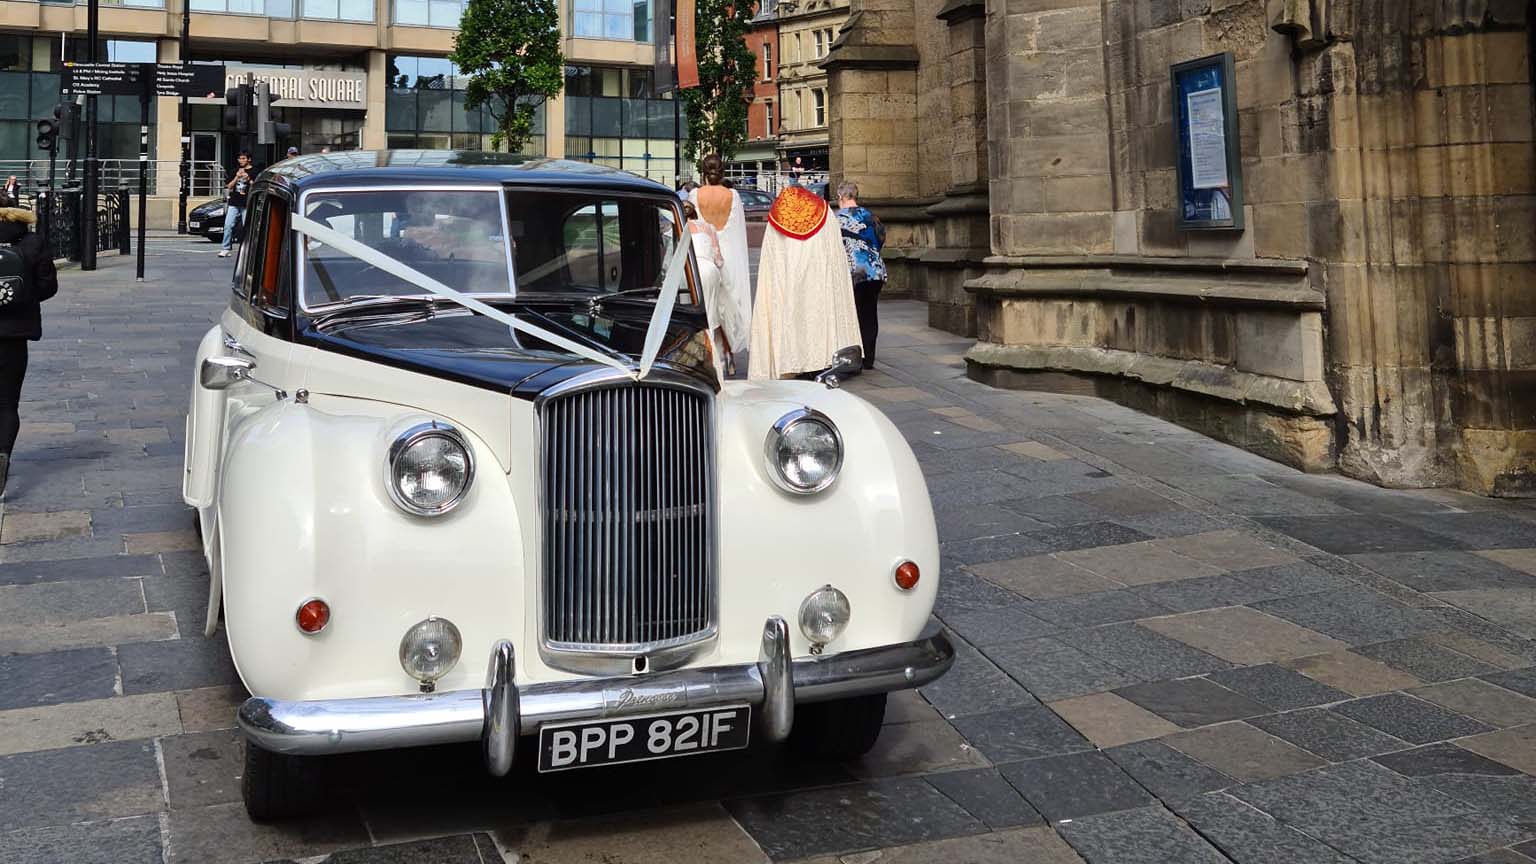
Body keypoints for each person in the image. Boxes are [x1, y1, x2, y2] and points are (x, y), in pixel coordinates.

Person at [749, 184, 862, 380]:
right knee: (819, 314)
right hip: (820, 277)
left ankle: (790, 360)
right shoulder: (825, 213)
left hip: (789, 278)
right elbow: (835, 253)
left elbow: (771, 260)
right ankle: (822, 358)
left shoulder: (777, 218)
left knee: (791, 312)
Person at [0, 205, 59, 494]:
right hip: (15, 333)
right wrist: (24, 297)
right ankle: (3, 454)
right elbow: (48, 287)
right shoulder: (32, 241)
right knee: (8, 403)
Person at [687, 155, 751, 357]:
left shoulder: (695, 194)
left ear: (704, 172)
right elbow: (739, 230)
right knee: (729, 306)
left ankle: (711, 352)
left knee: (709, 306)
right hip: (730, 253)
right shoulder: (733, 195)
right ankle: (729, 352)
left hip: (704, 253)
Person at [682, 201, 739, 377]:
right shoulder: (708, 228)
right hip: (709, 270)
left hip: (689, 271)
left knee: (689, 315)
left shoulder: (679, 228)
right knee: (712, 316)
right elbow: (718, 258)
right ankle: (718, 360)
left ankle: (693, 358)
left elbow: (672, 256)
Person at [835, 182, 887, 370]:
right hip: (875, 272)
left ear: (841, 196)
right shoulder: (872, 216)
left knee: (851, 314)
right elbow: (881, 239)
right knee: (869, 313)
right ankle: (869, 358)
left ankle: (854, 356)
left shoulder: (836, 218)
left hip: (852, 273)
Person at [220, 151, 255, 258]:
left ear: (249, 159)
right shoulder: (234, 170)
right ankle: (225, 248)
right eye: (240, 158)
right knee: (228, 225)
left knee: (247, 227)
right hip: (234, 202)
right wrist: (236, 177)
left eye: (243, 158)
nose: (241, 161)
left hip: (247, 203)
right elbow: (229, 186)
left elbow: (256, 185)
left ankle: (248, 248)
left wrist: (248, 178)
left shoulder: (254, 171)